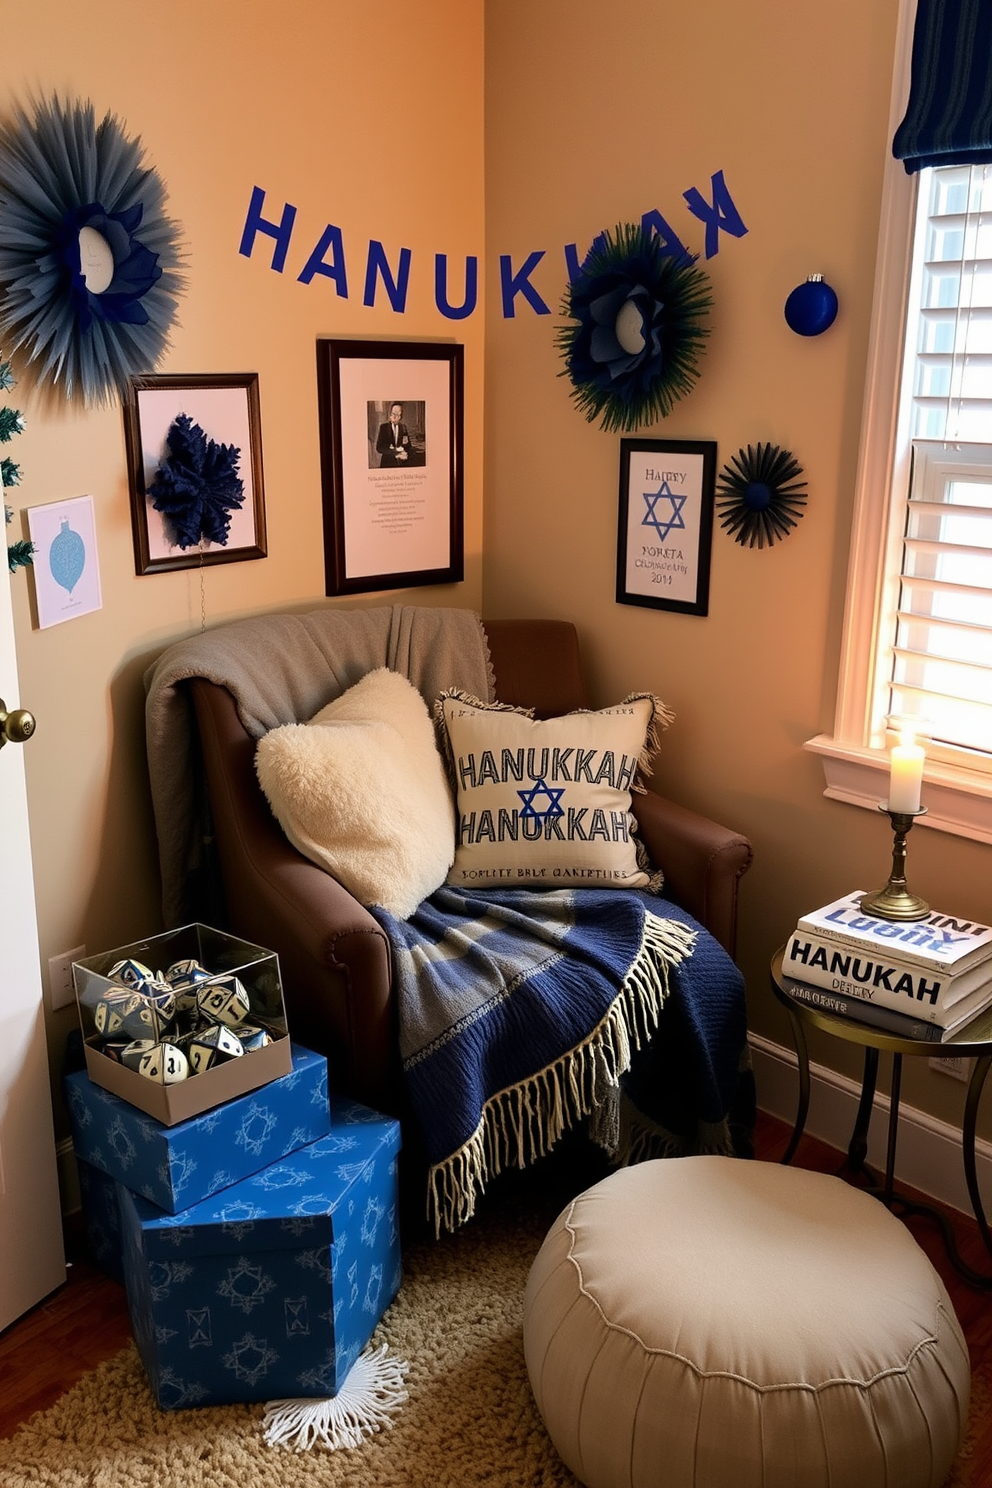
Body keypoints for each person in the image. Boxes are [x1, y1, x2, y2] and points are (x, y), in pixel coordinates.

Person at [375, 402, 414, 467]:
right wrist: (395, 452)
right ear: (390, 415)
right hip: (387, 463)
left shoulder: (403, 427)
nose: (396, 417)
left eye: (399, 414)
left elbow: (408, 446)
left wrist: (406, 453)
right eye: (393, 414)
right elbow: (379, 448)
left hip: (401, 463)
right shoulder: (384, 427)